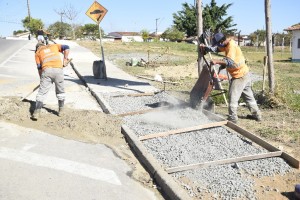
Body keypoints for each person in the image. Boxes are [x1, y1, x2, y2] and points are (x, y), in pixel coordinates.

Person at [200, 32, 262, 123]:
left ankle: (233, 117)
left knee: (233, 96)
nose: (218, 46)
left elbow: (229, 62)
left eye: (219, 43)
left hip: (239, 76)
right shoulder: (226, 43)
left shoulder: (231, 46)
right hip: (245, 73)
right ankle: (257, 115)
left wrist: (216, 61)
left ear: (222, 41)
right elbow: (216, 49)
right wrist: (206, 48)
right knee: (249, 97)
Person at [31, 42, 70, 120]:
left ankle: (36, 112)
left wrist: (42, 79)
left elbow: (39, 68)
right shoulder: (53, 46)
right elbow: (66, 47)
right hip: (58, 70)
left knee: (42, 93)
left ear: (37, 48)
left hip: (46, 71)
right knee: (60, 91)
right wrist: (65, 59)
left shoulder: (37, 53)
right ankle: (61, 110)